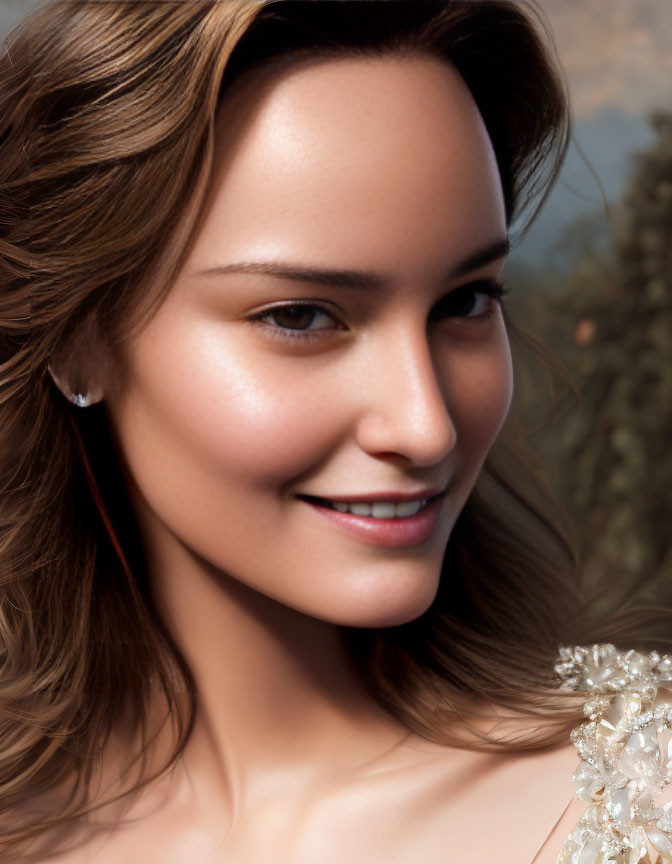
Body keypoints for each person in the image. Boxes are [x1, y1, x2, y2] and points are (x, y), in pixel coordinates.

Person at [1, 1, 670, 862]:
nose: (426, 426)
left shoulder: (642, 797)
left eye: (467, 301)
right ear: (76, 341)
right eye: (302, 316)